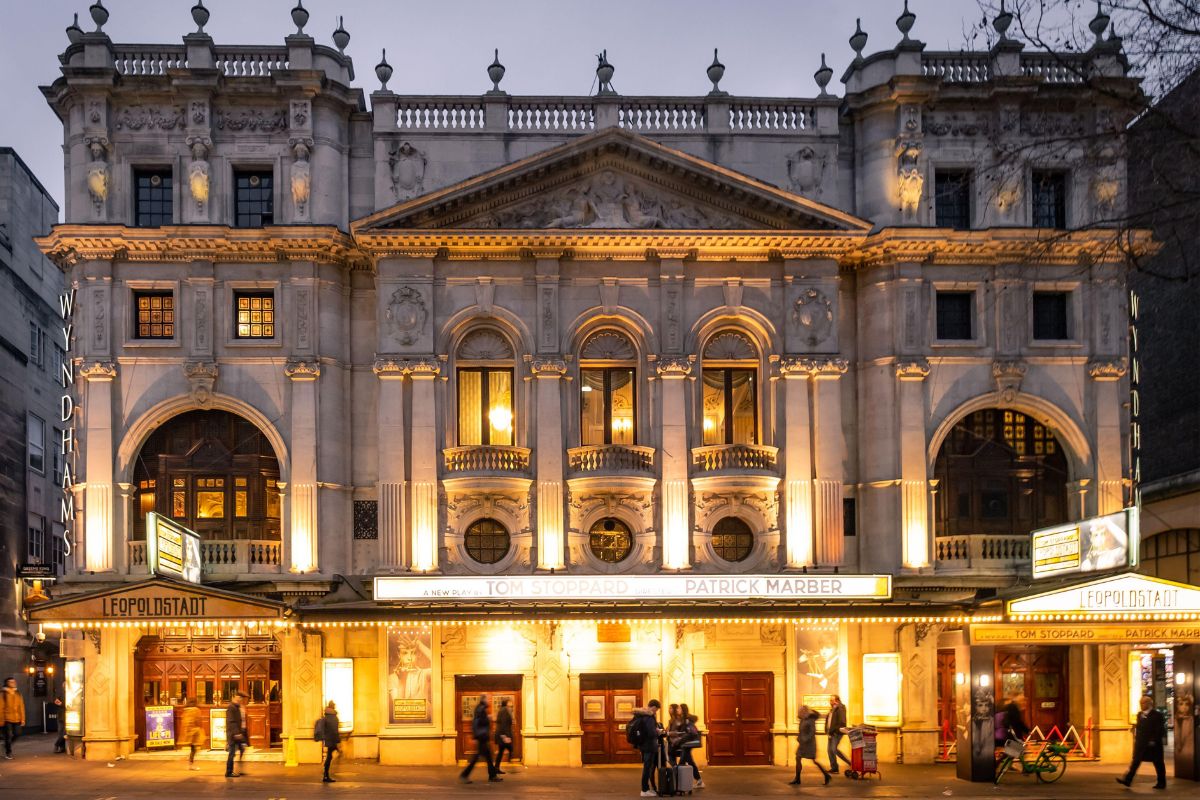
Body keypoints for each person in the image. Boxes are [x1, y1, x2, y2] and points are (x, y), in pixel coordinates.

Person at [1117, 695, 1167, 790]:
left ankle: (1161, 783)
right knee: (1135, 762)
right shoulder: (1140, 715)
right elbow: (1139, 729)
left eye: (1143, 703)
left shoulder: (1157, 715)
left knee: (1158, 763)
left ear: (1149, 704)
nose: (1141, 705)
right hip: (1141, 744)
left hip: (1153, 745)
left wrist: (1153, 740)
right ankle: (1127, 780)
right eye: (1140, 703)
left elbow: (1160, 730)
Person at [460, 694, 500, 783]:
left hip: (482, 735)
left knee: (488, 757)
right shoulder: (481, 709)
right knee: (478, 757)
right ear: (483, 700)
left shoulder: (481, 708)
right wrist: (488, 718)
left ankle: (492, 776)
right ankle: (464, 775)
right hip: (482, 736)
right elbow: (478, 722)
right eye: (487, 699)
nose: (489, 700)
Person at [629, 699, 663, 798]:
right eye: (657, 710)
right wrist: (658, 732)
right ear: (654, 707)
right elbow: (651, 733)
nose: (656, 712)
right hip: (649, 745)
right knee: (647, 768)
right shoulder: (649, 717)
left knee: (647, 767)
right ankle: (644, 789)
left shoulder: (641, 715)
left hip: (643, 745)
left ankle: (646, 788)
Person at [789, 705, 831, 786]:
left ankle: (826, 775)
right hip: (802, 744)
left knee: (814, 760)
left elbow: (812, 732)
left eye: (801, 711)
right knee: (798, 757)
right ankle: (797, 778)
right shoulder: (803, 720)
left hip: (809, 744)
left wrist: (805, 739)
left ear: (805, 712)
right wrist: (799, 737)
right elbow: (801, 731)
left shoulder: (810, 720)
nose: (799, 713)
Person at [677, 703, 704, 789]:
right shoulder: (683, 719)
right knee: (690, 761)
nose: (677, 710)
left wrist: (682, 737)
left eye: (679, 708)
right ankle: (699, 780)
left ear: (683, 709)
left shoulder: (687, 719)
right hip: (686, 744)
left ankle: (678, 783)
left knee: (682, 762)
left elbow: (692, 732)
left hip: (687, 743)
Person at [225, 691, 248, 778]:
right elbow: (231, 722)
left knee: (242, 749)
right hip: (233, 734)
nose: (241, 700)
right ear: (236, 697)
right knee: (232, 753)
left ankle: (238, 769)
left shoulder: (237, 707)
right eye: (241, 698)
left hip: (237, 734)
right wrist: (236, 733)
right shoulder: (231, 707)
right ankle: (228, 772)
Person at [825, 695, 850, 774]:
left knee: (834, 749)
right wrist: (827, 730)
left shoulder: (840, 708)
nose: (830, 702)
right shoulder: (832, 709)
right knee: (829, 750)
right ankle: (834, 768)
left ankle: (850, 763)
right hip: (831, 732)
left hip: (836, 733)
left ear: (837, 701)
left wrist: (836, 730)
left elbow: (842, 721)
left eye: (832, 700)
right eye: (830, 700)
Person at [2, 677, 25, 760]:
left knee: (17, 734)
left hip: (17, 718)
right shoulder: (3, 693)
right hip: (6, 718)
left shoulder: (17, 693)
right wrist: (1, 720)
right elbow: (0, 707)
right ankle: (8, 752)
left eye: (14, 681)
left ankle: (6, 745)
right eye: (11, 682)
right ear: (7, 683)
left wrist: (23, 719)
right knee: (8, 736)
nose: (13, 683)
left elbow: (21, 706)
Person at [179, 697, 203, 770]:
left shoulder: (186, 710)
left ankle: (189, 761)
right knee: (194, 749)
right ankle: (190, 764)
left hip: (188, 732)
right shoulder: (196, 710)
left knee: (193, 749)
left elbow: (183, 721)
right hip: (194, 732)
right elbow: (198, 721)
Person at [321, 701, 341, 783]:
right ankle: (326, 775)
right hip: (332, 740)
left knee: (329, 756)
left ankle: (326, 775)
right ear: (333, 707)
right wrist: (337, 741)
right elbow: (335, 731)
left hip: (328, 739)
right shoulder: (333, 718)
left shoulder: (326, 717)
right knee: (329, 757)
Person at [494, 698, 514, 773]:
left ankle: (496, 768)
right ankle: (509, 758)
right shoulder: (504, 710)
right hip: (503, 734)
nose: (511, 703)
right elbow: (503, 724)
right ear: (506, 703)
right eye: (510, 702)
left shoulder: (505, 710)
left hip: (502, 734)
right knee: (509, 749)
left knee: (501, 751)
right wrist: (505, 736)